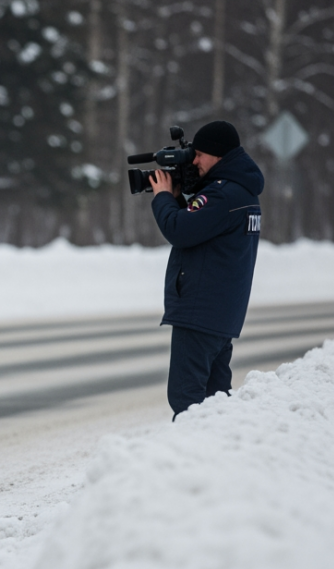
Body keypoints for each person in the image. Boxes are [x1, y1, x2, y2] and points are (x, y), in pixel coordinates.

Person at [147, 120, 264, 419]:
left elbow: (179, 230)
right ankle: (220, 446)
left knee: (186, 400)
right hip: (221, 315)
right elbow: (201, 227)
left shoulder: (222, 195)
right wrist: (179, 199)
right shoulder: (243, 193)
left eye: (200, 155)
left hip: (199, 315)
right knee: (216, 399)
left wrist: (163, 197)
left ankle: (191, 450)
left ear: (219, 155)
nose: (195, 161)